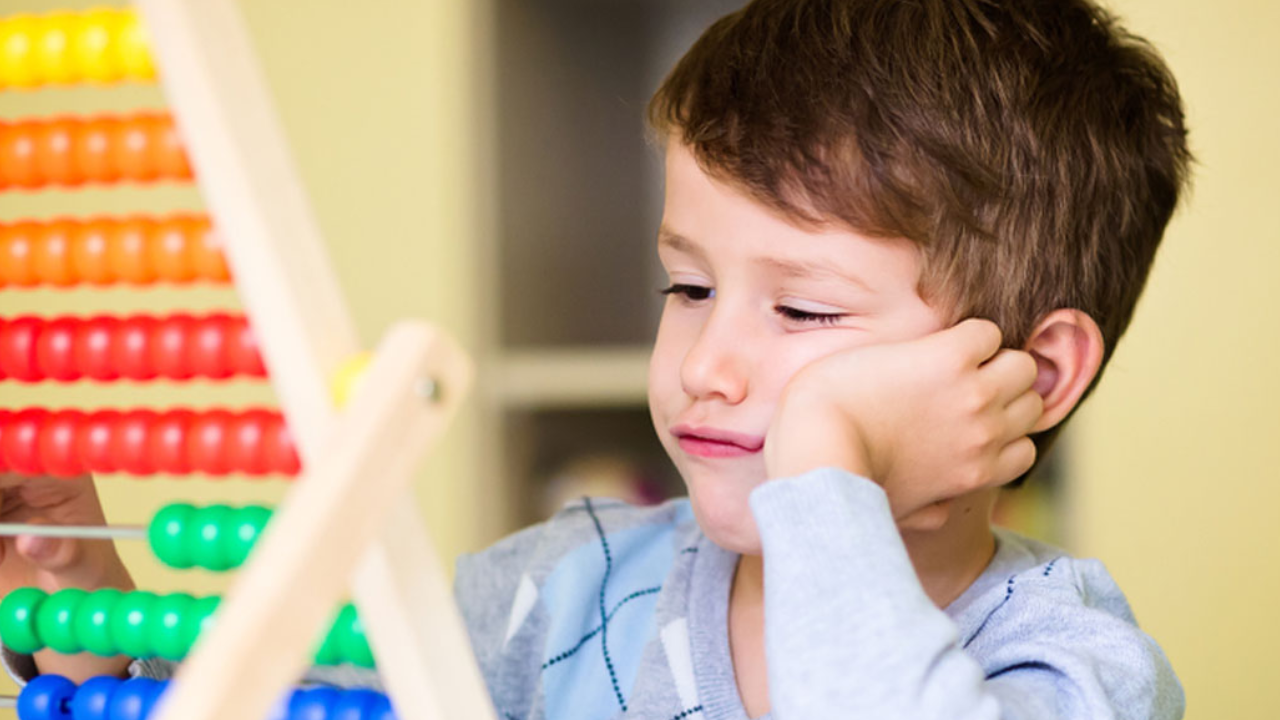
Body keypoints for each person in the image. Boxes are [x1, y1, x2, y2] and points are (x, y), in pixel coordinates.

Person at [2, 0, 1191, 717]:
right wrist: (85, 601)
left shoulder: (1073, 666)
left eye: (805, 314)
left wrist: (824, 464)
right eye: (686, 286)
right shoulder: (553, 592)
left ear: (1034, 376)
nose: (704, 365)